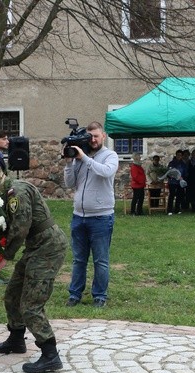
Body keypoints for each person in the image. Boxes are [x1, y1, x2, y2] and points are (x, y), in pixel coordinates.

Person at [0, 158, 69, 373]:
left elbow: (20, 228)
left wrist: (4, 257)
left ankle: (50, 354)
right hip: (35, 247)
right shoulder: (7, 192)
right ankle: (17, 339)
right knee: (12, 295)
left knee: (31, 304)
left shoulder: (15, 192)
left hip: (47, 248)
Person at [63, 121, 118, 308]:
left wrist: (84, 157)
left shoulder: (110, 156)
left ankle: (100, 296)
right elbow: (70, 183)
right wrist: (70, 162)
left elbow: (105, 172)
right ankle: (74, 294)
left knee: (100, 260)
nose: (93, 140)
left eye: (96, 136)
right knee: (78, 259)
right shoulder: (80, 158)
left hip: (101, 217)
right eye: (90, 137)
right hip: (79, 216)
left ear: (103, 136)